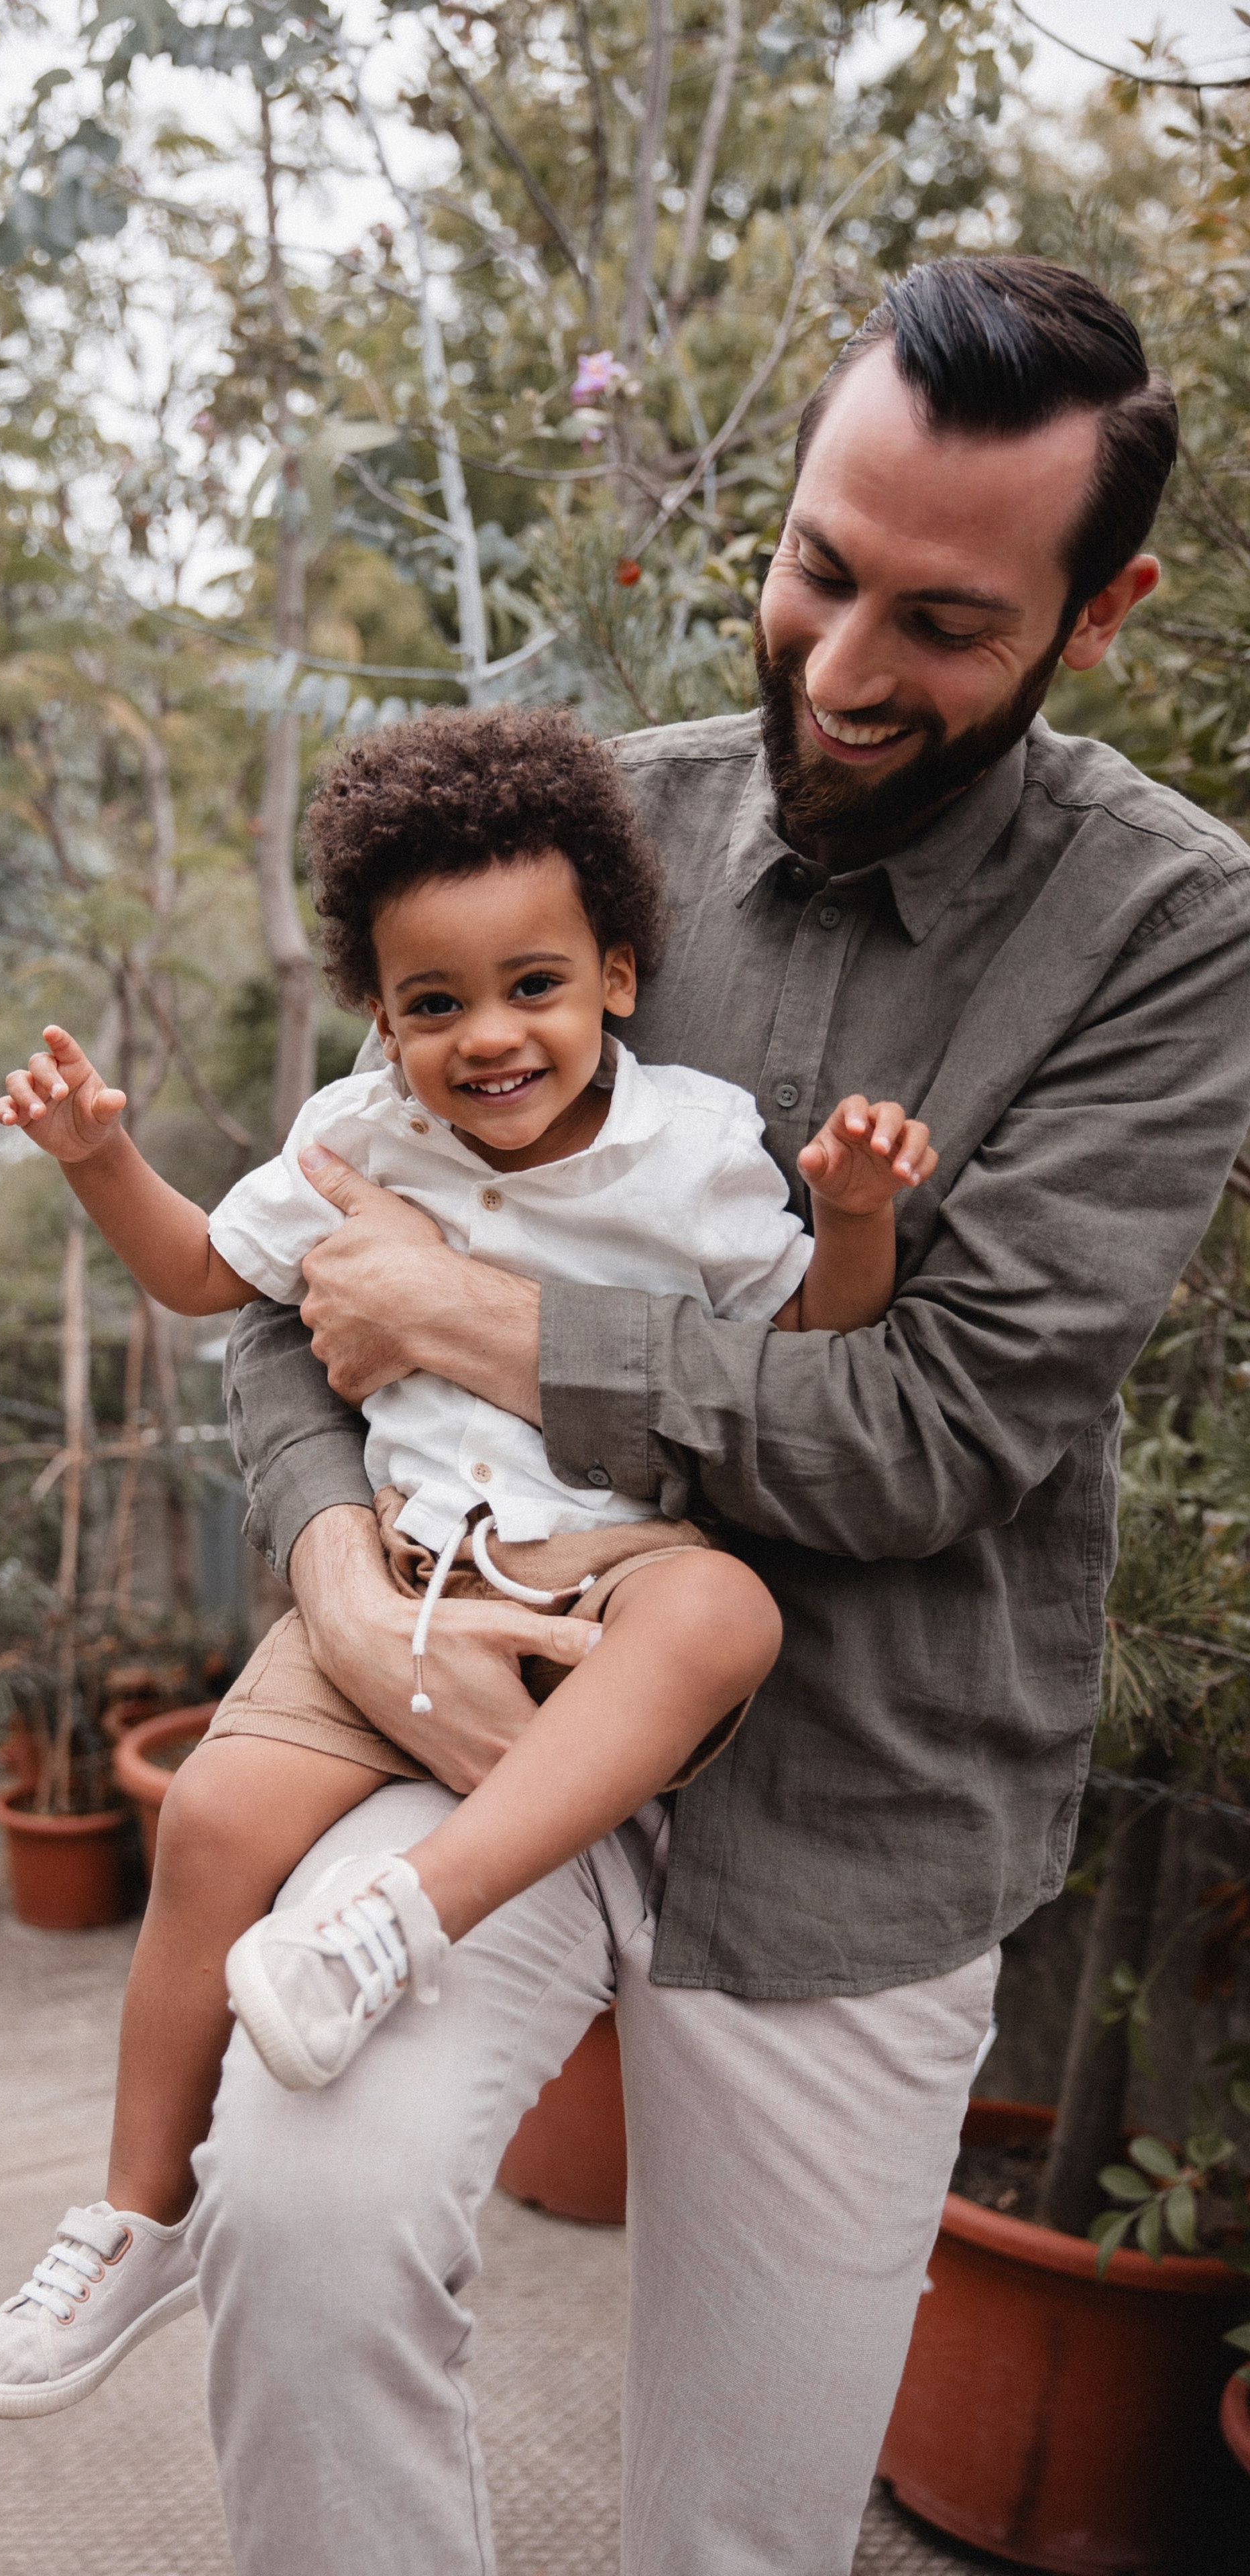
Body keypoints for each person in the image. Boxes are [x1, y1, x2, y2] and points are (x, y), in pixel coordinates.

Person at [184, 256, 1250, 2576]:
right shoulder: (585, 841)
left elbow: (930, 1433)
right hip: (479, 1729)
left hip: (863, 1804)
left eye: (945, 625)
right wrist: (335, 1576)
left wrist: (484, 1321)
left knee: (740, 2532)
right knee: (295, 2219)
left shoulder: (1171, 931)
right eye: (815, 568)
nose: (846, 668)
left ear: (1103, 612)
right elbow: (292, 1287)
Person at [0, 705, 938, 2421]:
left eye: (531, 985)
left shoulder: (693, 1148)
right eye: (431, 1004)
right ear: (379, 1014)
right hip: (402, 1566)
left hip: (608, 1555)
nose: (486, 1036)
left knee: (722, 1607)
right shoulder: (354, 1140)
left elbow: (811, 1343)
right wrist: (100, 1156)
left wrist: (852, 1216)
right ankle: (134, 2216)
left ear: (615, 976)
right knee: (209, 1821)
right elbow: (205, 1280)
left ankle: (400, 1921)